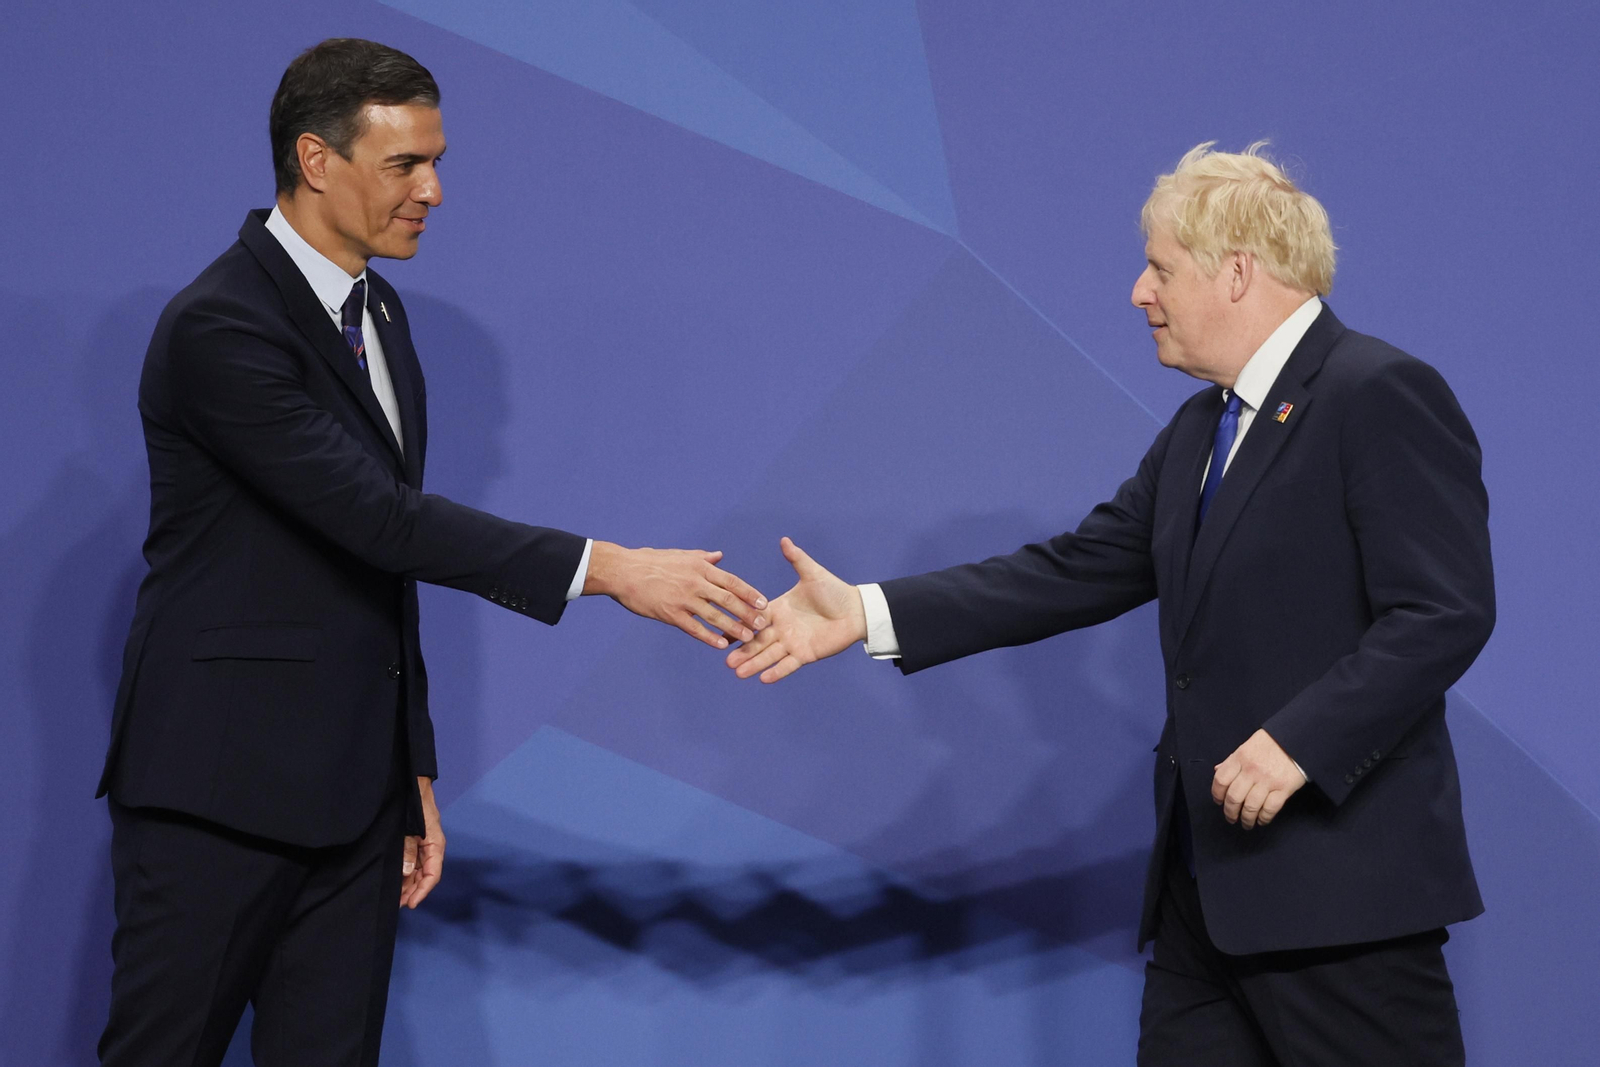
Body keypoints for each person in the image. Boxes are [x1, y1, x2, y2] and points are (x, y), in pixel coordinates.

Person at [728, 142, 1494, 1065]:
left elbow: (1443, 610)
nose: (1140, 292)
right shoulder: (1198, 431)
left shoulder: (1377, 393)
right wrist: (865, 612)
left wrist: (1301, 741)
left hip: (1342, 906)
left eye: (1162, 268)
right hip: (1202, 900)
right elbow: (1076, 569)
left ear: (1238, 272)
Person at [96, 38, 767, 1067]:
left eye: (435, 160)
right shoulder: (220, 326)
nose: (435, 191)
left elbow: (375, 578)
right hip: (216, 794)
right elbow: (380, 520)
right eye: (405, 164)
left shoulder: (382, 314)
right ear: (315, 161)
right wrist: (612, 567)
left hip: (353, 799)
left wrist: (407, 767)